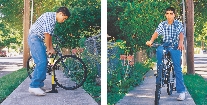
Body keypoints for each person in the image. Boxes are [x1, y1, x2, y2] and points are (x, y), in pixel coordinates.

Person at [27, 7, 70, 96]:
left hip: (38, 39)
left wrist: (50, 48)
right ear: (61, 13)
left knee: (44, 62)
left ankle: (39, 85)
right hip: (34, 38)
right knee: (41, 62)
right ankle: (33, 86)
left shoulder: (53, 20)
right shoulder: (49, 16)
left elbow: (49, 36)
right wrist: (49, 48)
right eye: (64, 18)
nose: (64, 20)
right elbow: (46, 34)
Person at [146, 7, 186, 101]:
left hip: (175, 46)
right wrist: (151, 41)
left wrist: (181, 42)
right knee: (159, 50)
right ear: (165, 15)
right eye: (167, 13)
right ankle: (160, 69)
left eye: (171, 13)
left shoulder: (177, 24)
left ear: (174, 15)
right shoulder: (163, 24)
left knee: (177, 68)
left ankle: (181, 92)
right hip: (165, 45)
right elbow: (156, 33)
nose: (169, 15)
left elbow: (181, 34)